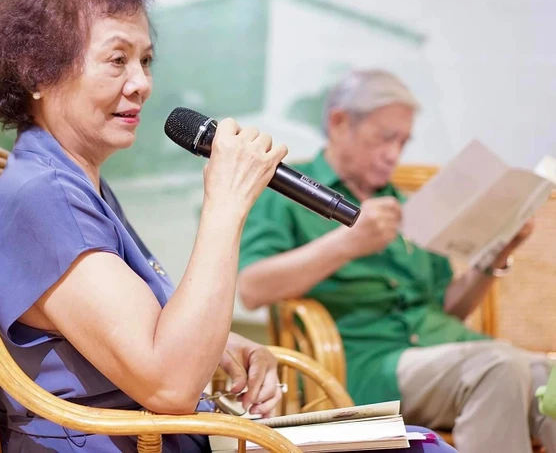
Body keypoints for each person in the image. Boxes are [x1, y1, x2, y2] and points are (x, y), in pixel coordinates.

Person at [0, 0, 456, 453]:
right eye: (118, 60)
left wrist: (223, 346)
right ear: (36, 74)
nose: (142, 83)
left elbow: (134, 334)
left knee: (415, 441)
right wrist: (225, 203)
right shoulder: (40, 199)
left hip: (172, 437)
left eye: (145, 61)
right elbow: (169, 385)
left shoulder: (70, 181)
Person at [237, 69, 555, 453]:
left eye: (402, 142)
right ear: (339, 123)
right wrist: (347, 243)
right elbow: (252, 288)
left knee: (549, 377)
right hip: (364, 364)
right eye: (385, 138)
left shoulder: (411, 208)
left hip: (446, 353)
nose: (394, 154)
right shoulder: (287, 190)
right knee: (498, 366)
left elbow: (447, 308)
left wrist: (496, 255)